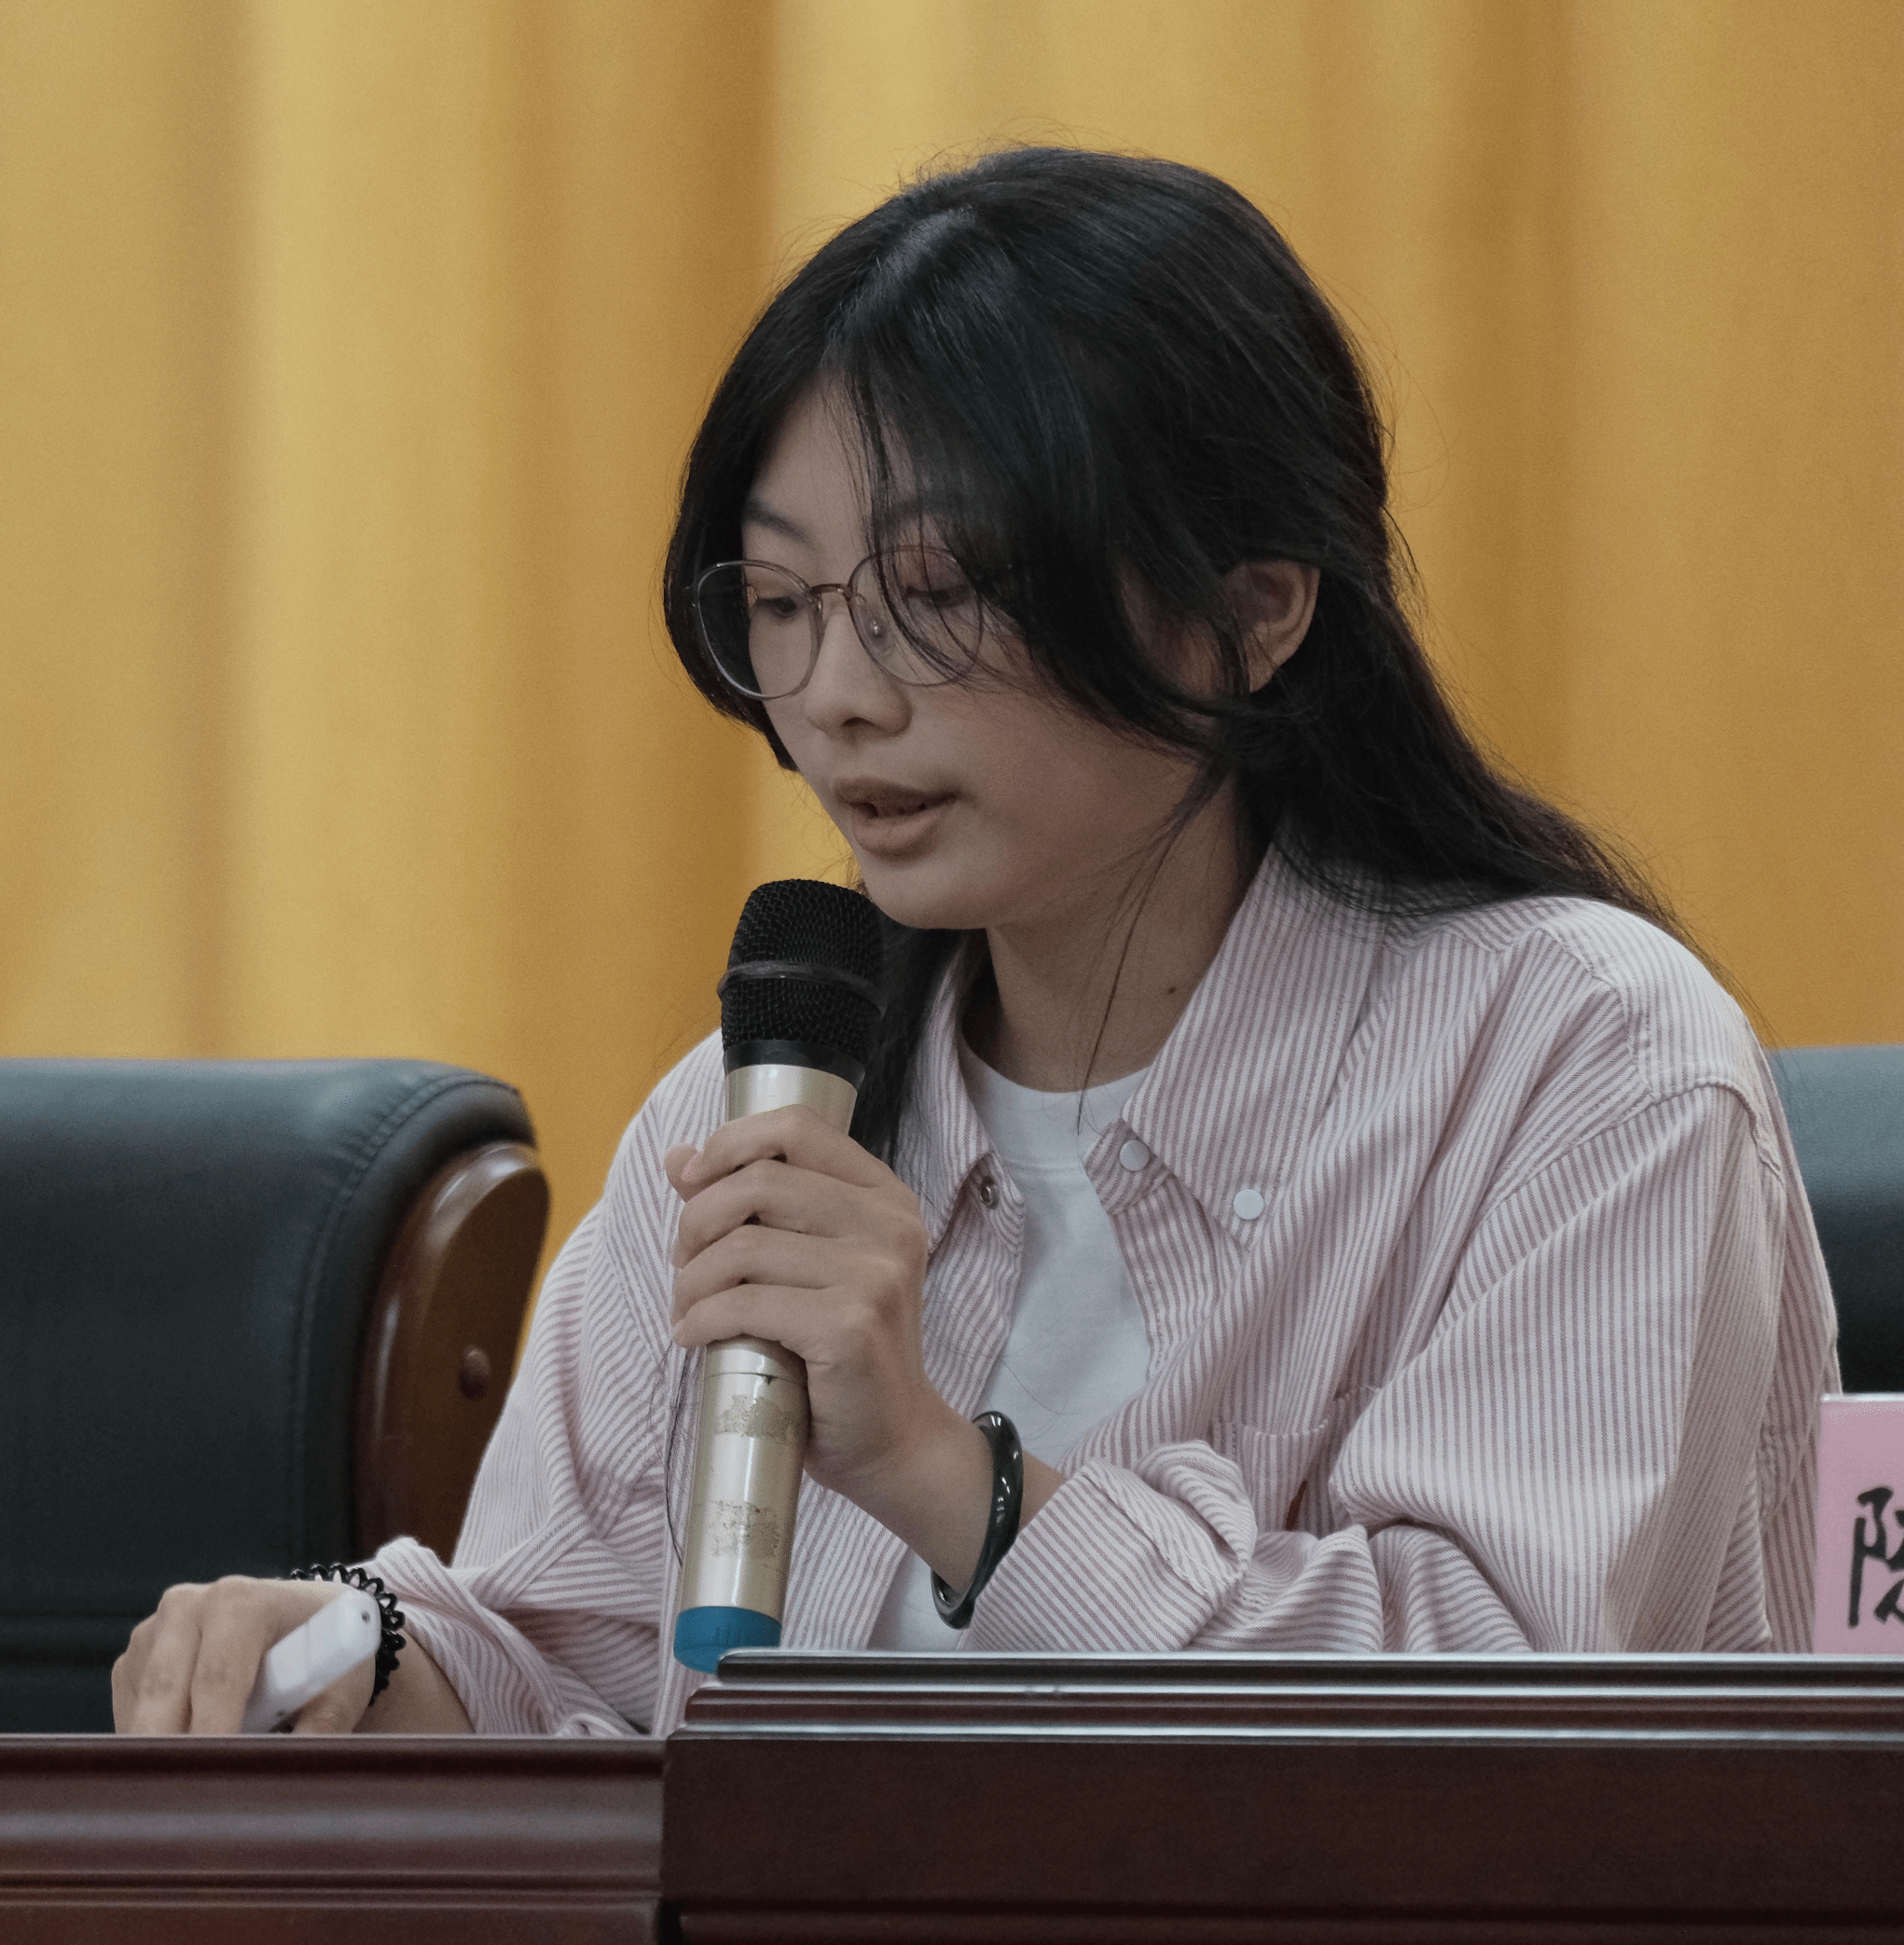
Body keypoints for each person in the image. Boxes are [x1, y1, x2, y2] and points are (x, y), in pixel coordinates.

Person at [113, 148, 1837, 1739]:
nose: (836, 698)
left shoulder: (1584, 1065)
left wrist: (953, 1479)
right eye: (782, 605)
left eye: (935, 596)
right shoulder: (750, 1117)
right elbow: (572, 1671)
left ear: (1252, 611)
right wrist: (348, 1657)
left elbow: (1498, 1735)